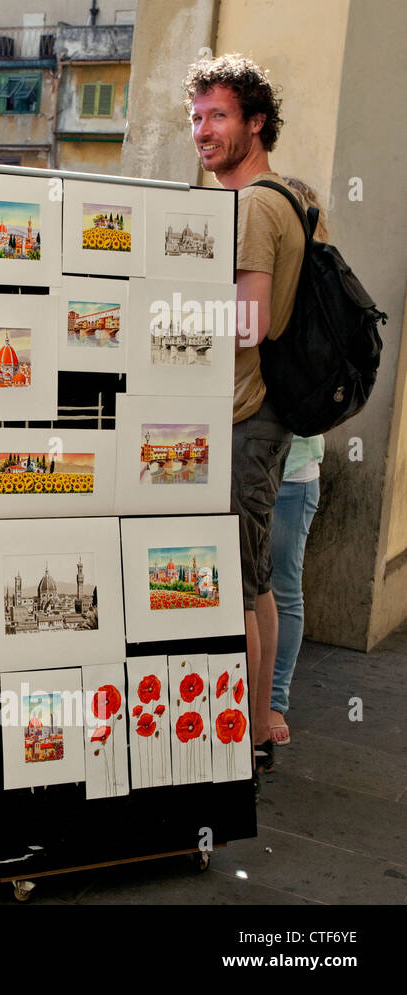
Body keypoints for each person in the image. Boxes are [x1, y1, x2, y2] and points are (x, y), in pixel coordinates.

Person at [184, 55, 305, 779]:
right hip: (256, 415)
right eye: (197, 117)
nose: (203, 131)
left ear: (255, 122)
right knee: (254, 579)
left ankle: (243, 742)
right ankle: (257, 725)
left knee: (235, 582)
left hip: (243, 414)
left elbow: (249, 322)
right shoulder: (277, 197)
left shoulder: (256, 203)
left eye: (219, 116)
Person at [267, 177, 329, 750]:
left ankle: (275, 700)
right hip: (270, 464)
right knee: (262, 587)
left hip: (291, 467)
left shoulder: (316, 290)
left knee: (280, 588)